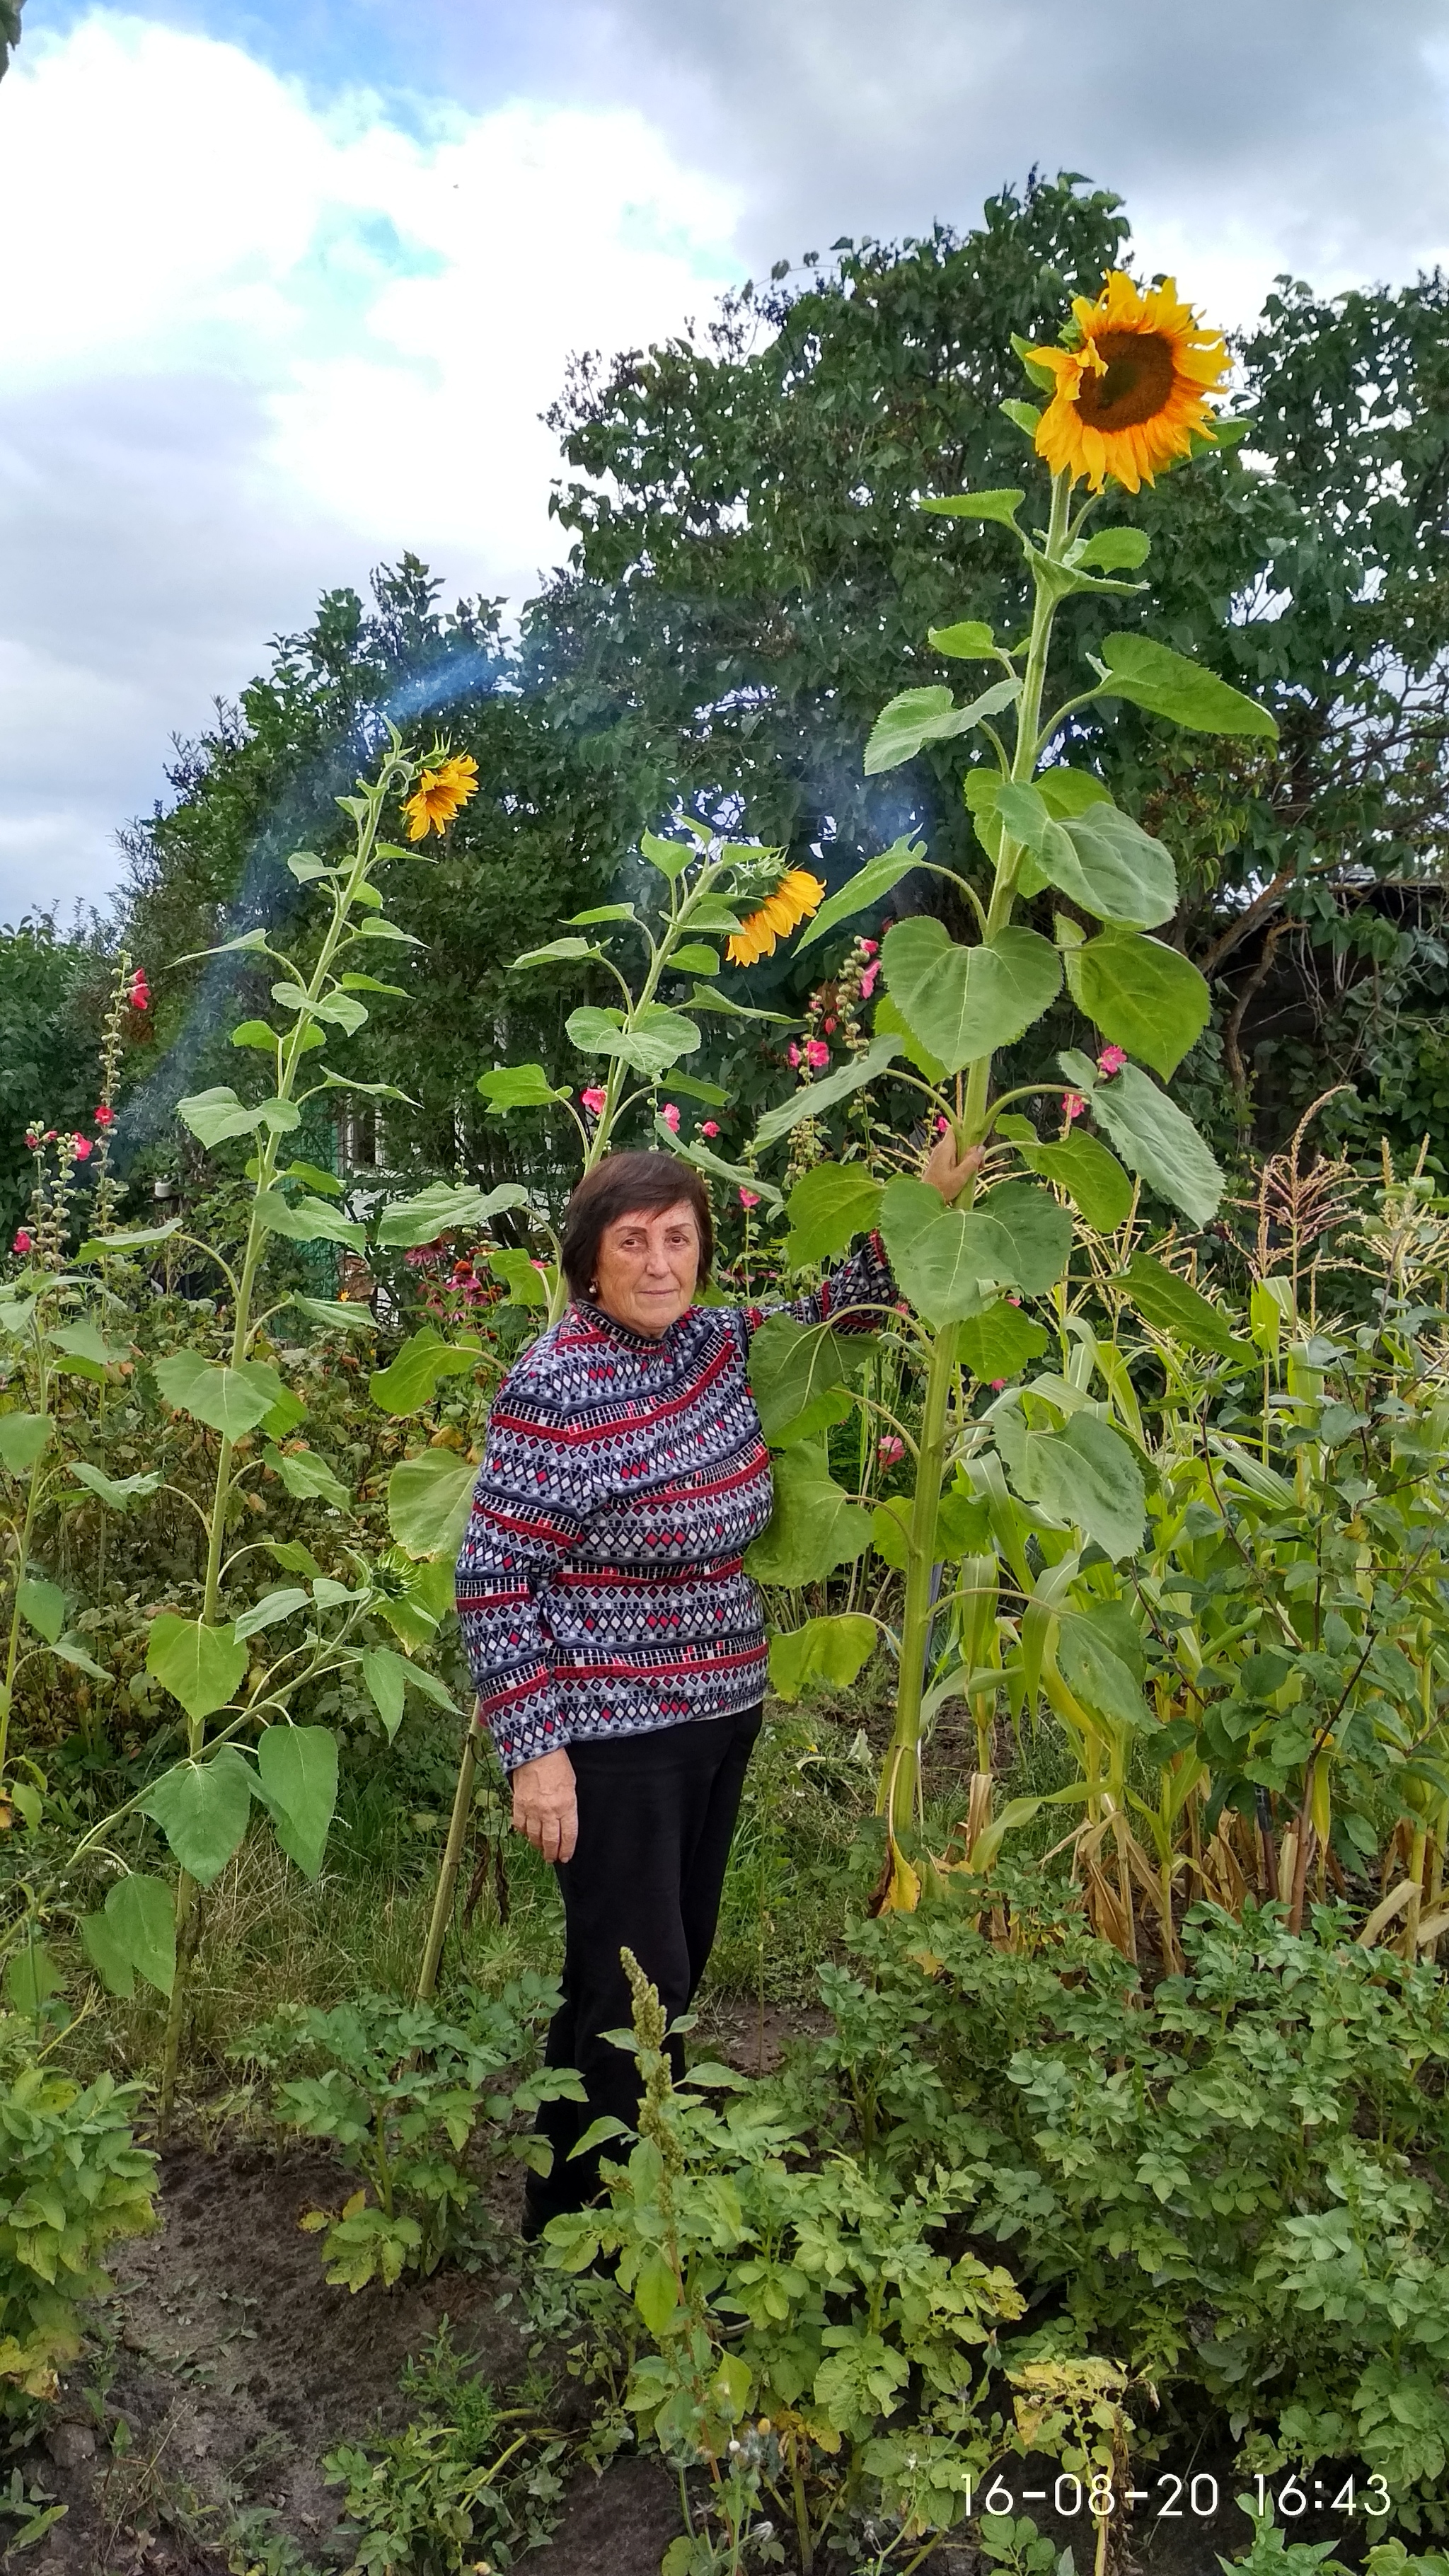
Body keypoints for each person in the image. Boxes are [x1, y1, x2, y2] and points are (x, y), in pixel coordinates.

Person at [454, 1138, 975, 2236]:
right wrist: (534, 1751)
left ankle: (570, 2210)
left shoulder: (717, 1345)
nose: (658, 1262)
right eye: (632, 1241)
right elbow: (495, 1575)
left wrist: (921, 1204)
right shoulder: (554, 1383)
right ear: (589, 1261)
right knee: (643, 1985)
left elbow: (840, 1315)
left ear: (703, 1251)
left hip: (717, 1709)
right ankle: (627, 2241)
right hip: (613, 1732)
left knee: (639, 1964)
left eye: (678, 1238)